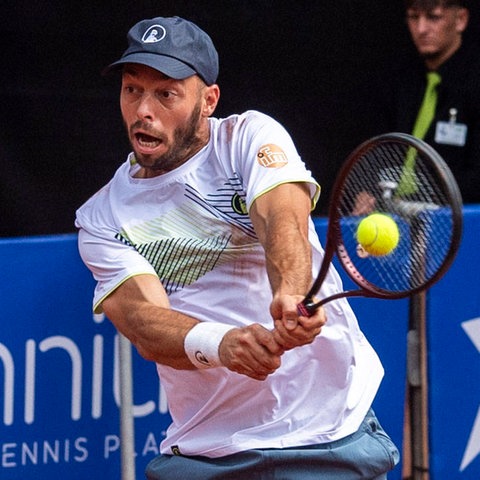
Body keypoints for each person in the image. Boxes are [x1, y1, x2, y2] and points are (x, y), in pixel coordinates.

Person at [75, 16, 399, 479]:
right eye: (132, 90)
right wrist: (222, 343)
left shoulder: (249, 137)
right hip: (206, 454)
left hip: (326, 440)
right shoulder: (101, 216)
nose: (143, 110)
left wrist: (290, 290)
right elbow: (144, 321)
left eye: (165, 94)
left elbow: (280, 216)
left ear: (208, 100)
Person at [383, 0, 480, 203]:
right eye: (413, 17)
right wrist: (372, 192)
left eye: (433, 17)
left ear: (460, 19)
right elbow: (383, 152)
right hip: (395, 216)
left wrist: (425, 200)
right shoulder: (402, 80)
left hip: (459, 219)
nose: (421, 29)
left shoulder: (473, 81)